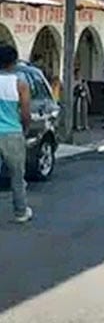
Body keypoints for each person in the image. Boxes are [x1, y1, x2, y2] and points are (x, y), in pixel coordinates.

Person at [0, 44, 33, 223]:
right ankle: (20, 211)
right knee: (17, 175)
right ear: (13, 62)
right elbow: (26, 112)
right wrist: (25, 128)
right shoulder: (20, 84)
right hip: (12, 132)